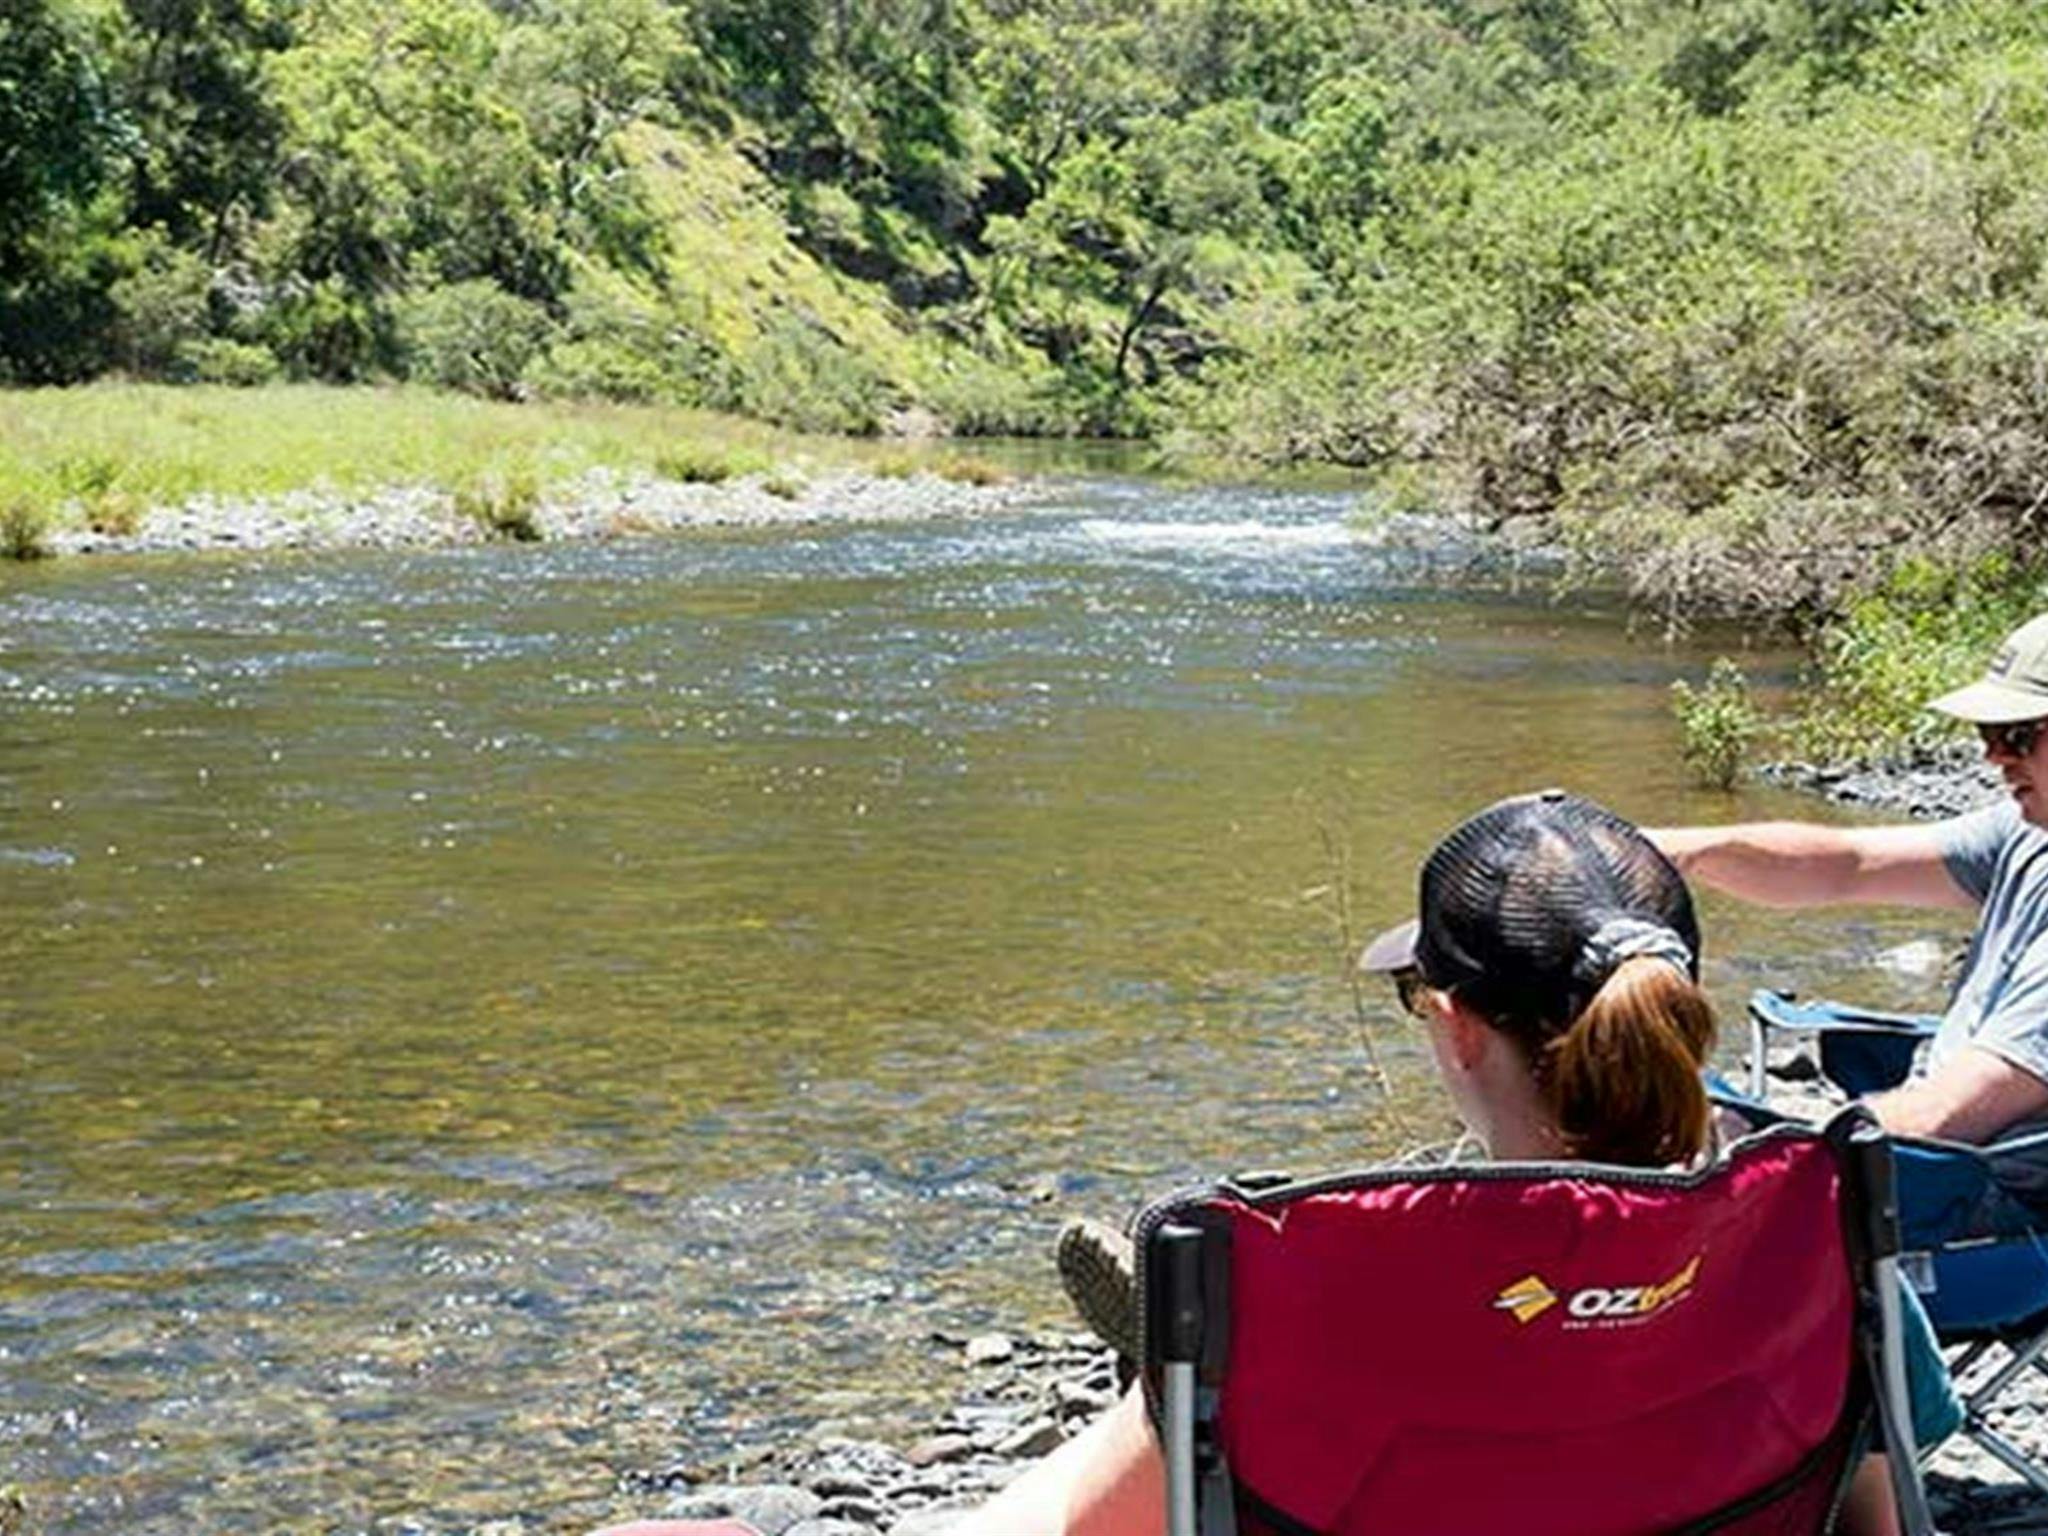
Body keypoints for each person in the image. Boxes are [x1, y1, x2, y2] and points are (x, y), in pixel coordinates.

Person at [959, 789, 1946, 1536]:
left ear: (1454, 1026)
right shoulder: (1810, 1229)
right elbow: (1870, 1516)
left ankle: (1165, 1371)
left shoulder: (1321, 1275)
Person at [1647, 609, 2048, 1143]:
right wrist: (1666, 850)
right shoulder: (2028, 832)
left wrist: (1763, 1144)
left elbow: (1945, 1119)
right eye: (1989, 731)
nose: (1993, 755)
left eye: (2018, 735)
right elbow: (1846, 862)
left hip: (1984, 1194)